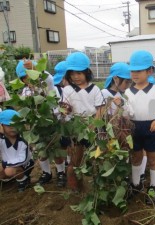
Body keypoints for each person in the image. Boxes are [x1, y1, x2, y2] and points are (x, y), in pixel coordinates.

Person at [125, 50, 155, 205]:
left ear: (149, 71)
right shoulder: (128, 92)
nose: (134, 74)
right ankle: (136, 184)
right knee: (136, 157)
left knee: (152, 159)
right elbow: (129, 112)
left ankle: (153, 187)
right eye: (132, 71)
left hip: (152, 129)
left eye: (139, 70)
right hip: (134, 129)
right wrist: (121, 108)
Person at [15, 59, 66, 187]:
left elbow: (48, 78)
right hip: (37, 126)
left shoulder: (46, 86)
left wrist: (37, 69)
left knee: (56, 150)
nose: (29, 81)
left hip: (52, 121)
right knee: (41, 151)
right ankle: (46, 173)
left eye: (30, 76)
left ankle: (61, 172)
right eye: (25, 78)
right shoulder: (26, 92)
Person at [61, 51, 104, 191]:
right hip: (76, 127)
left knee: (96, 157)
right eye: (72, 74)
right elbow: (65, 108)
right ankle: (75, 186)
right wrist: (65, 111)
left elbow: (100, 109)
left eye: (79, 73)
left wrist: (94, 124)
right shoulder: (67, 90)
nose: (76, 77)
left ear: (86, 72)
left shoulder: (95, 89)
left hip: (92, 126)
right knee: (75, 158)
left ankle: (96, 185)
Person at [0, 109, 34, 192]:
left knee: (9, 171)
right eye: (9, 126)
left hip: (24, 164)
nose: (13, 128)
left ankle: (23, 180)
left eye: (15, 125)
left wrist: (5, 165)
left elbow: (22, 159)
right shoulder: (2, 139)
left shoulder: (23, 141)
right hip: (8, 164)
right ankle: (8, 178)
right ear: (2, 126)